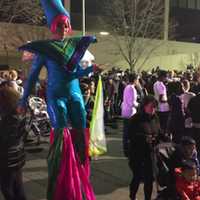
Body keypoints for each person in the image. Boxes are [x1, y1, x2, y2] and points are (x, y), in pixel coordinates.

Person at [17, 0, 97, 200]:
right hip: (56, 96)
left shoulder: (73, 48)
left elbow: (75, 72)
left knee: (80, 135)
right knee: (60, 137)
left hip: (76, 94)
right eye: (60, 25)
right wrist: (23, 100)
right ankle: (61, 187)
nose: (63, 29)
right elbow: (33, 77)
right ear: (53, 27)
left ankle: (80, 181)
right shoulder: (44, 51)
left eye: (66, 25)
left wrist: (90, 70)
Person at [127, 95, 160, 200]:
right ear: (144, 106)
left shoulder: (155, 118)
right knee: (137, 177)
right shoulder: (136, 119)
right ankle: (132, 196)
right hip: (137, 154)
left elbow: (159, 132)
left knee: (149, 179)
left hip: (150, 154)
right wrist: (144, 138)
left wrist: (166, 138)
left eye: (155, 107)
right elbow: (130, 135)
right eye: (151, 106)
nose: (153, 109)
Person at [0, 84, 27, 200]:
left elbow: (4, 140)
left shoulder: (7, 120)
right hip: (17, 156)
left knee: (7, 188)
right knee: (18, 186)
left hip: (7, 159)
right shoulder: (18, 114)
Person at [121, 73, 139, 157]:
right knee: (129, 132)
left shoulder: (127, 87)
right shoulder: (132, 88)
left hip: (126, 111)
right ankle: (128, 150)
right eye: (137, 79)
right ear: (135, 80)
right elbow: (132, 102)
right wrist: (139, 105)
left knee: (126, 132)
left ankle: (126, 149)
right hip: (130, 112)